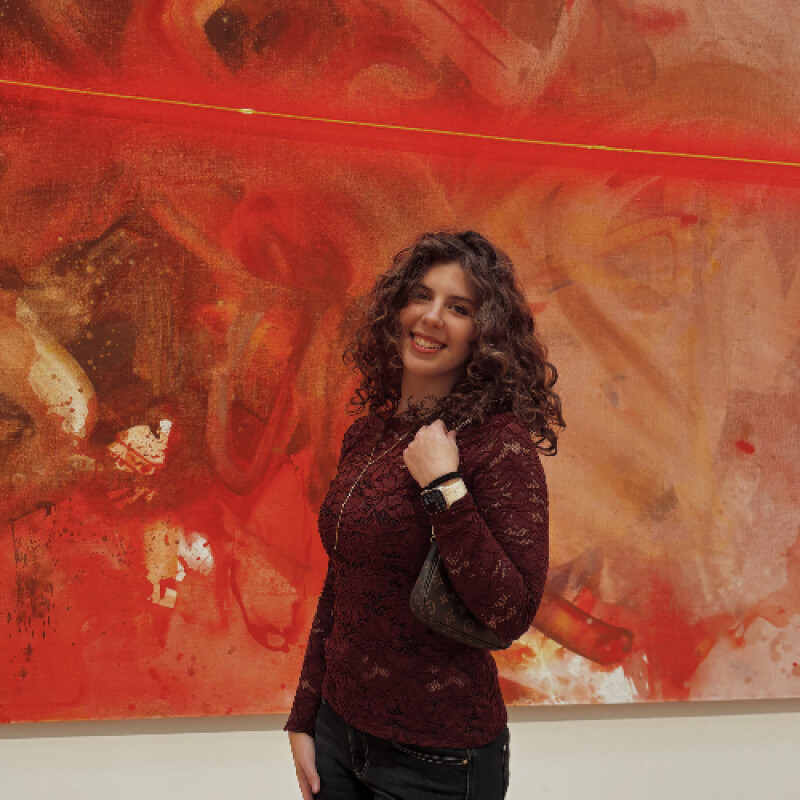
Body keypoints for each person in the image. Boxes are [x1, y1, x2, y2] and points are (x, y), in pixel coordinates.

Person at [285, 230, 564, 799]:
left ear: (485, 334)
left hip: (439, 760)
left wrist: (443, 486)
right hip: (339, 733)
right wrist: (305, 714)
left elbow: (511, 612)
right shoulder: (368, 434)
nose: (432, 317)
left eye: (459, 308)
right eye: (421, 296)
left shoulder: (498, 445)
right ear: (396, 309)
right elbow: (342, 584)